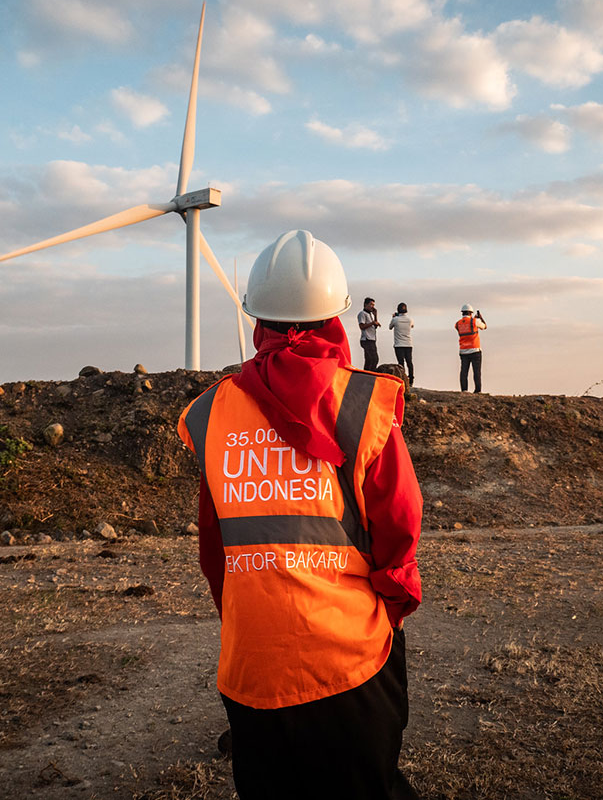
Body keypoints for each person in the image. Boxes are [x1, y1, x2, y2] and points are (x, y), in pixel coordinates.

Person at [178, 230, 422, 800]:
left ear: (256, 317)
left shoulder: (212, 413)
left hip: (250, 669)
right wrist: (391, 607)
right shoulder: (364, 405)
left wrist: (248, 616)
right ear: (336, 317)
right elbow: (399, 527)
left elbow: (214, 550)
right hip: (349, 662)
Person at [455, 304, 487, 392]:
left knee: (464, 372)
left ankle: (464, 390)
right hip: (475, 350)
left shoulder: (458, 324)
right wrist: (480, 318)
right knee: (476, 372)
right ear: (471, 313)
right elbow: (484, 326)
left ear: (462, 313)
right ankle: (478, 390)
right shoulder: (474, 321)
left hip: (463, 351)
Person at [389, 302, 414, 385]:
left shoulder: (395, 319)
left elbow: (390, 327)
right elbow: (412, 326)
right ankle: (411, 379)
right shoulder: (410, 320)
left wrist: (394, 317)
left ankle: (403, 379)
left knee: (401, 363)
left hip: (399, 344)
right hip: (408, 343)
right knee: (409, 362)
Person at [357, 296, 380, 371]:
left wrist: (375, 316)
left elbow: (374, 326)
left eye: (373, 305)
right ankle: (370, 374)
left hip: (372, 339)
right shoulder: (362, 314)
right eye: (371, 304)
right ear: (365, 305)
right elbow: (362, 326)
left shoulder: (370, 314)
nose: (372, 307)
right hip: (366, 339)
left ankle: (366, 374)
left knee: (369, 360)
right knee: (373, 359)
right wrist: (372, 323)